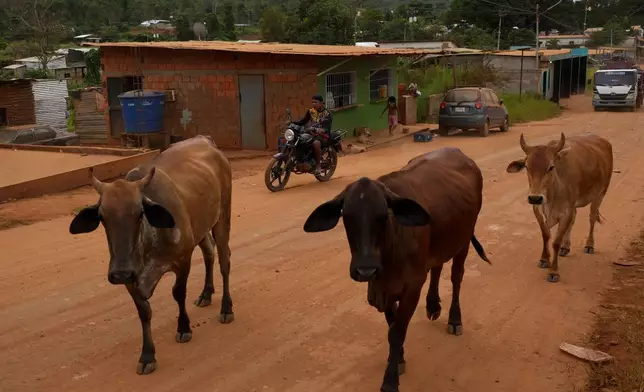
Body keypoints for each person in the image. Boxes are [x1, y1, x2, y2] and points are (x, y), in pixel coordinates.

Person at [294, 95, 333, 175]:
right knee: (300, 139)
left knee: (316, 143)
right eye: (312, 102)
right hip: (312, 133)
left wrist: (316, 129)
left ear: (322, 103)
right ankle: (302, 160)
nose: (313, 104)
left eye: (316, 102)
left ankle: (318, 166)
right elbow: (303, 121)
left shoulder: (327, 113)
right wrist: (293, 123)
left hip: (323, 136)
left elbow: (325, 128)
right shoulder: (311, 111)